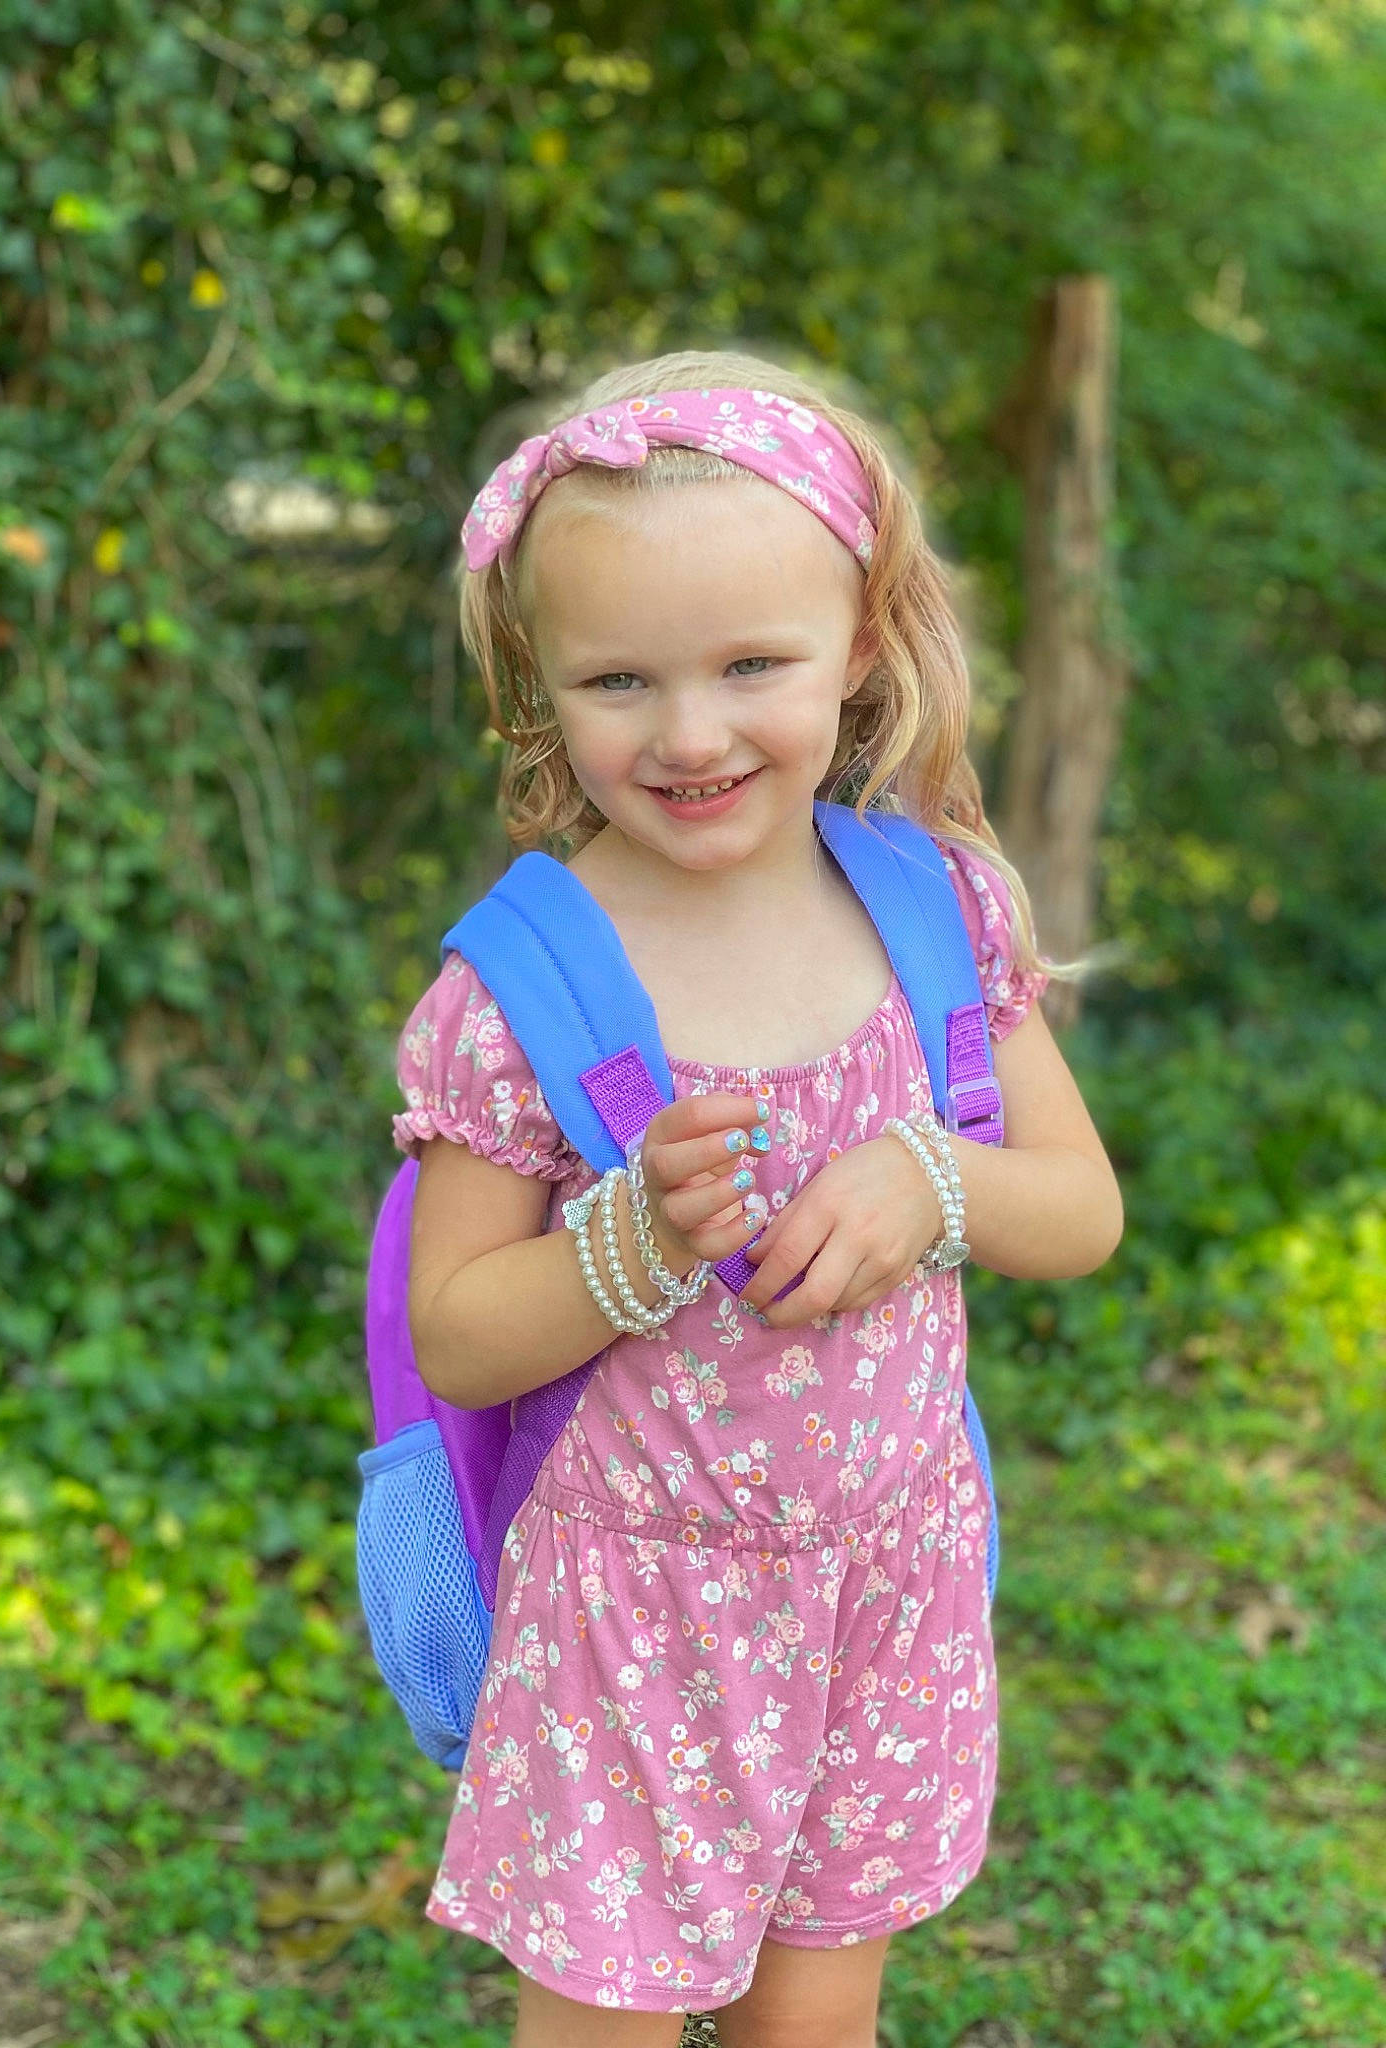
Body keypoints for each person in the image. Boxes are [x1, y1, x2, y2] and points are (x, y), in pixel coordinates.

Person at [389, 350, 1124, 2047]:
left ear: (859, 646)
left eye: (752, 665)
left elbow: (1079, 1212)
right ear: (541, 691)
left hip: (889, 1585)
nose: (693, 730)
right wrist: (627, 1246)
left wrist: (936, 1182)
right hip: (633, 1622)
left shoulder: (931, 911)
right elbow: (458, 1335)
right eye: (621, 679)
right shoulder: (526, 992)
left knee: (816, 2023)